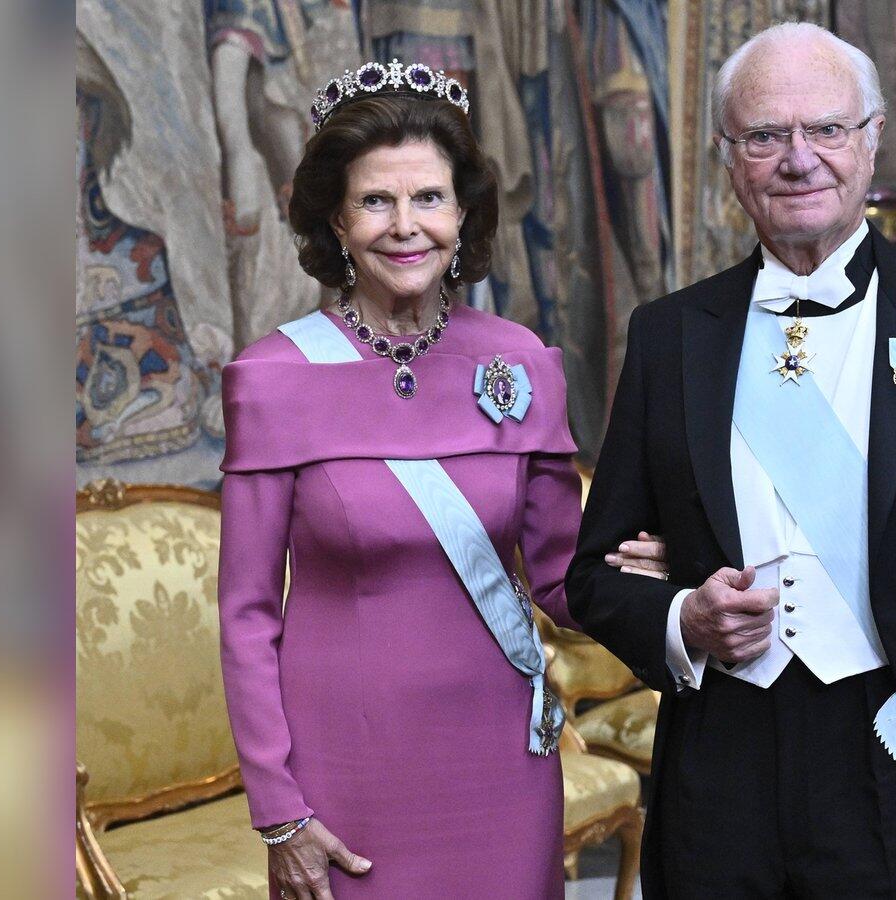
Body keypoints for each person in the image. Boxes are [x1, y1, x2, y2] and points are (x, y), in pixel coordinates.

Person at [567, 23, 896, 900]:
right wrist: (683, 617)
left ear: (872, 138)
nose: (799, 159)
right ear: (727, 156)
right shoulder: (670, 336)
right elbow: (594, 576)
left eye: (825, 128)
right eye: (765, 135)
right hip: (720, 765)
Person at [218, 60, 660, 899]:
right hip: (345, 770)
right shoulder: (274, 378)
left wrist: (664, 578)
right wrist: (278, 809)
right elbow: (246, 615)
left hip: (501, 758)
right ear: (337, 220)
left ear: (462, 214)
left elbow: (564, 579)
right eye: (375, 201)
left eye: (428, 197)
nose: (405, 226)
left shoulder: (520, 363)